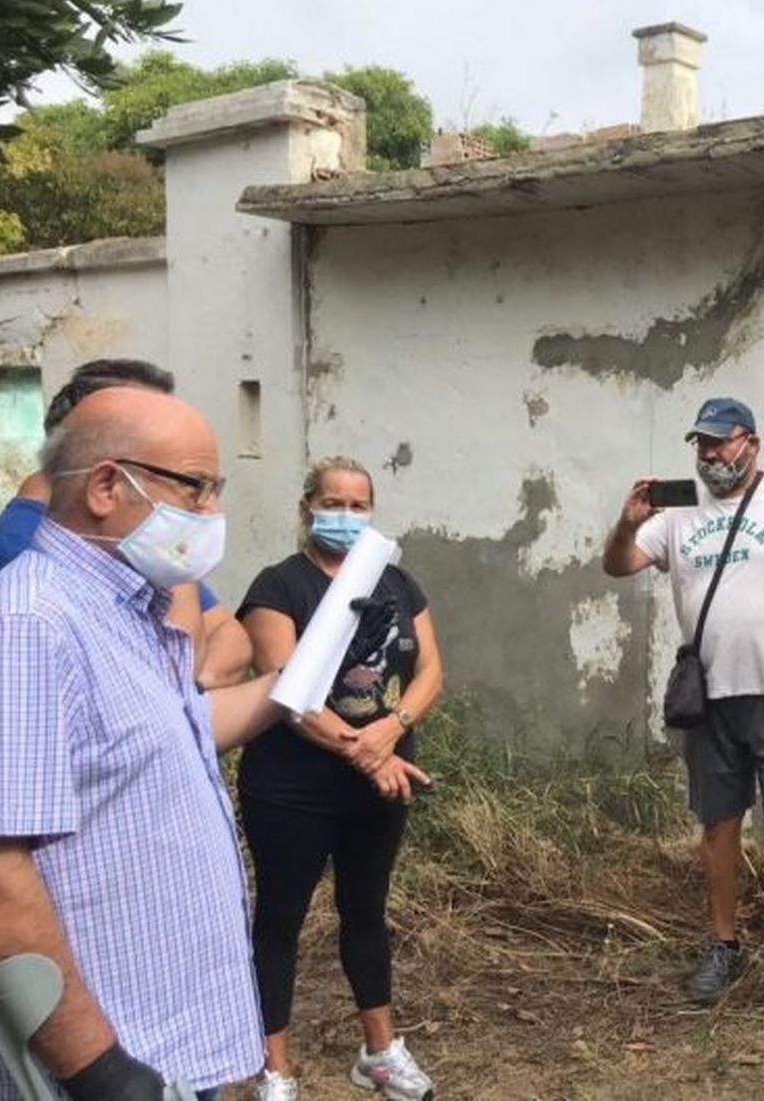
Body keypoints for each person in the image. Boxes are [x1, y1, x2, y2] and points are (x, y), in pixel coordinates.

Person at [0, 386, 293, 1100]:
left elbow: (171, 741)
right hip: (102, 1069)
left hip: (170, 1051)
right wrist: (98, 1069)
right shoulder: (29, 624)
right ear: (104, 486)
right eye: (196, 488)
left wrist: (294, 683)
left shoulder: (131, 613)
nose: (210, 513)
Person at [603, 397, 764, 1007]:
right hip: (709, 700)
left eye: (722, 442)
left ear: (753, 443)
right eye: (702, 445)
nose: (711, 455)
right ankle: (723, 943)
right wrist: (627, 520)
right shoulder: (677, 514)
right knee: (718, 825)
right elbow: (618, 565)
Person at [237, 456, 442, 1101]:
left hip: (378, 785)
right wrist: (373, 750)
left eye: (359, 506)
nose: (346, 516)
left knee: (366, 913)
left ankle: (379, 1052)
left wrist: (394, 726)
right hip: (292, 789)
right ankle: (275, 1069)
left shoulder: (397, 583)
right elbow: (288, 695)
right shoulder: (278, 587)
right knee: (280, 919)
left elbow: (431, 669)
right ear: (307, 509)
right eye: (334, 503)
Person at [0, 358, 253, 688]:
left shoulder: (126, 548)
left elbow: (229, 637)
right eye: (192, 485)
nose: (208, 509)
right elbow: (177, 662)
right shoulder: (22, 583)